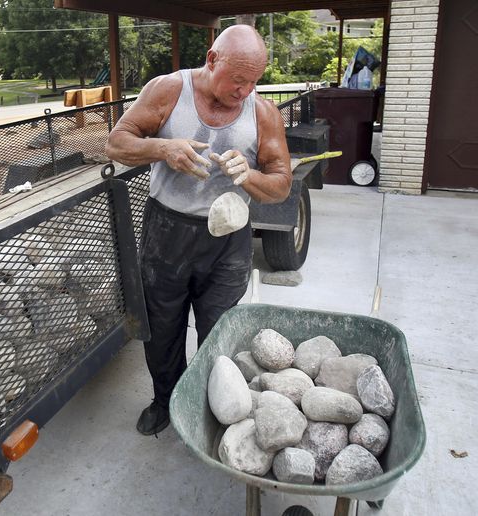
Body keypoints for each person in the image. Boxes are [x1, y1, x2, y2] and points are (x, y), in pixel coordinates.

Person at [105, 24, 293, 436]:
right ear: (212, 60)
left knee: (218, 328)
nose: (246, 91)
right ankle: (166, 400)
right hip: (167, 230)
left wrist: (250, 178)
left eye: (254, 82)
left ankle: (212, 406)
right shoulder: (169, 91)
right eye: (239, 80)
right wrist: (162, 147)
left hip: (228, 240)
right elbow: (116, 144)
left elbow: (280, 185)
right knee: (162, 325)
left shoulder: (262, 113)